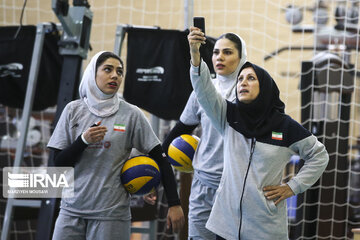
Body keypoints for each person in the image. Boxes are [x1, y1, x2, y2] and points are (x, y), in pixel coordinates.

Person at [187, 27, 329, 240]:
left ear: (265, 87)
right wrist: (196, 55)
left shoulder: (285, 126)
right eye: (241, 79)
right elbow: (204, 89)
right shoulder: (228, 115)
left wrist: (293, 187)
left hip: (266, 228)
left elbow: (319, 155)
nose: (243, 82)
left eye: (251, 78)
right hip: (226, 226)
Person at [47, 51, 184, 240]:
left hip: (111, 215)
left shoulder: (131, 114)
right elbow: (59, 164)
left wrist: (174, 203)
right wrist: (83, 141)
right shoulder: (73, 110)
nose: (115, 76)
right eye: (108, 69)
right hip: (71, 211)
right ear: (93, 74)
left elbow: (160, 158)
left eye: (120, 72)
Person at [161, 32, 247, 240]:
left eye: (228, 52)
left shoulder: (250, 91)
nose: (220, 57)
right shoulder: (202, 91)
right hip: (203, 184)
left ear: (242, 57)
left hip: (237, 187)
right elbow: (176, 135)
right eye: (216, 52)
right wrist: (155, 174)